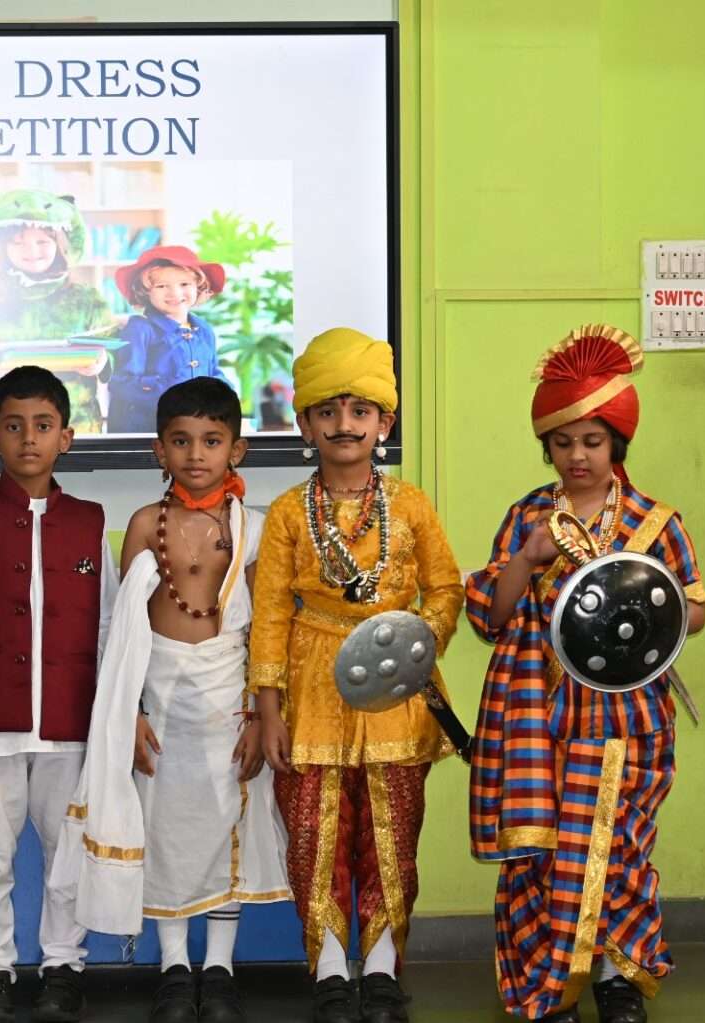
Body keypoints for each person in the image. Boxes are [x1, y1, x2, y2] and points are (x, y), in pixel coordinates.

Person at [465, 325, 705, 1023]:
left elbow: (694, 611)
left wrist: (644, 603)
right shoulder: (527, 516)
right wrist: (528, 557)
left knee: (617, 847)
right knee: (547, 856)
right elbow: (491, 616)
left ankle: (615, 977)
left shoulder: (656, 523)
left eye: (593, 441)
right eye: (564, 441)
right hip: (538, 719)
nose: (578, 455)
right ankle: (551, 986)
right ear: (547, 447)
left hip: (628, 719)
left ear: (616, 446)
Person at [53, 377, 290, 1023]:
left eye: (212, 440)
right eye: (181, 441)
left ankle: (220, 968)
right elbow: (122, 627)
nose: (196, 454)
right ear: (160, 450)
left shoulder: (255, 528)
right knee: (162, 826)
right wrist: (127, 710)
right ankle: (175, 968)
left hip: (228, 699)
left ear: (236, 450)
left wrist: (260, 710)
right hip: (158, 697)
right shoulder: (143, 524)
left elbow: (269, 629)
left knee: (227, 824)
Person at [247, 328, 465, 1023]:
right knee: (313, 836)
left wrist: (418, 642)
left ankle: (380, 967)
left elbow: (446, 588)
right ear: (305, 424)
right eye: (329, 411)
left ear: (384, 424)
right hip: (310, 689)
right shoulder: (288, 512)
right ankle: (330, 967)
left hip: (398, 691)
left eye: (360, 410)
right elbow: (270, 613)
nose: (345, 424)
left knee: (393, 834)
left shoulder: (412, 505)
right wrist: (268, 710)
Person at [0, 365, 117, 1023]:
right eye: (13, 426)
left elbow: (109, 624)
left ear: (66, 436)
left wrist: (114, 714)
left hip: (71, 717)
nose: (28, 439)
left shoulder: (90, 521)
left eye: (42, 425)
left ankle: (63, 964)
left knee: (68, 852)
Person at [0, 189, 118, 433]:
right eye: (18, 242)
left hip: (74, 426)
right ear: (2, 247)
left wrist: (103, 362)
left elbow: (117, 352)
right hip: (5, 428)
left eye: (42, 242)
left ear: (60, 245)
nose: (31, 251)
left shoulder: (87, 299)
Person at [106, 245, 228, 434]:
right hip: (148, 429)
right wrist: (173, 393)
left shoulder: (204, 330)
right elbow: (122, 383)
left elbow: (213, 371)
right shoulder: (140, 328)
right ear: (145, 291)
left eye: (184, 284)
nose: (175, 293)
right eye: (161, 286)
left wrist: (223, 395)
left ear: (199, 287)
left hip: (197, 427)